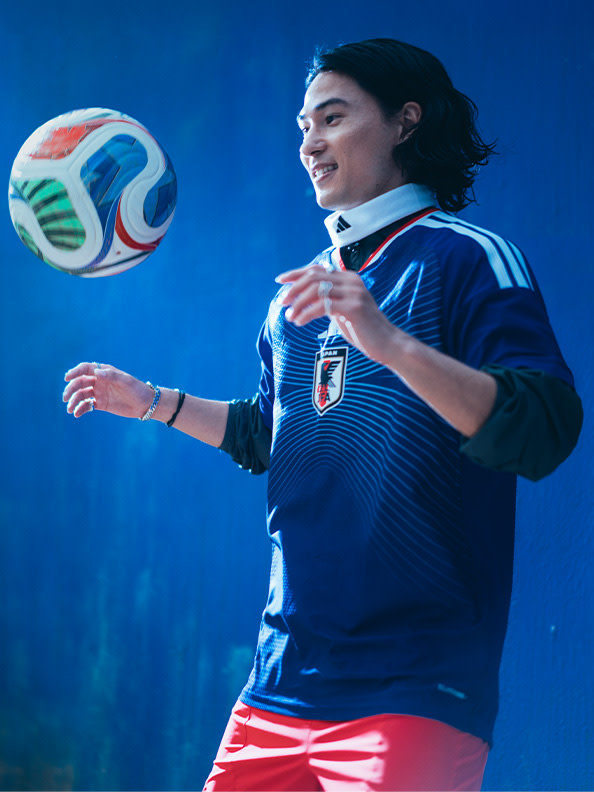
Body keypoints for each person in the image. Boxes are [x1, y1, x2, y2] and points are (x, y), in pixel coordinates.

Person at [63, 38, 582, 792]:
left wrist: (389, 341)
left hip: (414, 690)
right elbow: (272, 435)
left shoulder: (471, 259)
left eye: (332, 119)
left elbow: (542, 429)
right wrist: (152, 403)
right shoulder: (297, 297)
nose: (308, 144)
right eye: (302, 126)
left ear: (406, 122)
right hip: (278, 685)